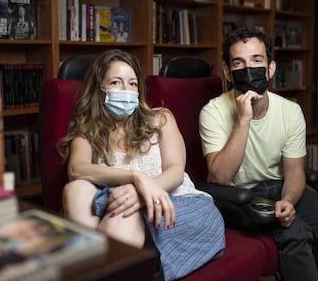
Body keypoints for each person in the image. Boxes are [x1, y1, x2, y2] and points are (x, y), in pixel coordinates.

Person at [57, 49, 225, 281]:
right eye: (116, 82)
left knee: (120, 217)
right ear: (100, 89)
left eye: (132, 83)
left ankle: (93, 270)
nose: (126, 90)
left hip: (175, 203)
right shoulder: (87, 129)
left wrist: (144, 192)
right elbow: (77, 169)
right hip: (120, 199)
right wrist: (136, 178)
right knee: (75, 189)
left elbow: (176, 171)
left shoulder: (161, 118)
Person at [199, 27, 318, 281]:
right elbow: (220, 177)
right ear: (227, 72)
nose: (249, 69)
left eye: (257, 61)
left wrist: (289, 200)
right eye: (239, 63)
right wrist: (243, 121)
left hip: (278, 187)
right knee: (295, 233)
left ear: (270, 68)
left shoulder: (290, 111)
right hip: (237, 195)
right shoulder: (212, 112)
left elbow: (294, 172)